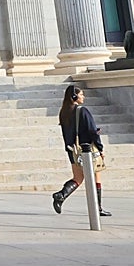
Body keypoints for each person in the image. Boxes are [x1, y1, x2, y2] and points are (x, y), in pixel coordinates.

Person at [52, 84, 110, 216]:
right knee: (96, 176)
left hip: (72, 150)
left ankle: (61, 195)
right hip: (87, 149)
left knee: (78, 178)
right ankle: (98, 208)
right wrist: (100, 148)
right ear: (74, 96)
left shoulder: (64, 112)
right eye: (81, 94)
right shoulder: (82, 111)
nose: (83, 96)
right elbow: (92, 131)